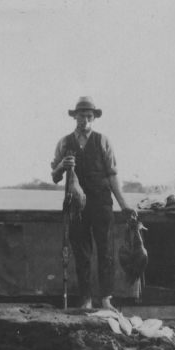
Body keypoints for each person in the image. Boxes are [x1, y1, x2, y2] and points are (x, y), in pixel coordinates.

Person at [51, 96, 136, 311]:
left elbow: (112, 175)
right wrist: (62, 165)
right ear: (75, 117)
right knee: (82, 253)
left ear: (94, 118)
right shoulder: (64, 142)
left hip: (101, 203)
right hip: (76, 206)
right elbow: (54, 176)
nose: (85, 120)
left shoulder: (103, 141)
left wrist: (124, 204)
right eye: (81, 116)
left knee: (106, 251)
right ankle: (86, 299)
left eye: (89, 116)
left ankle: (106, 298)